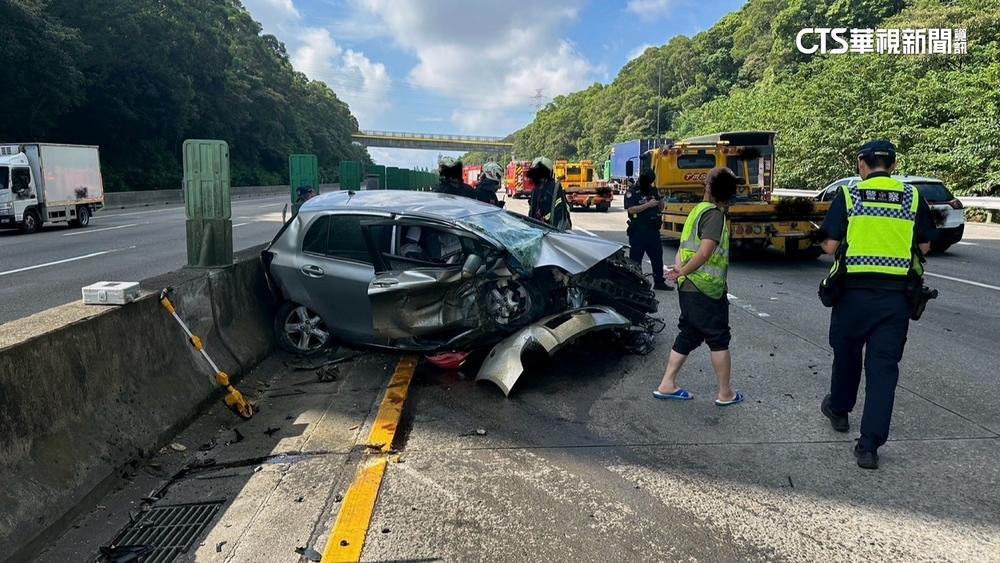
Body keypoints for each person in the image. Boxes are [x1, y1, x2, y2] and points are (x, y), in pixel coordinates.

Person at [817, 140, 939, 470]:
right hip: (896, 298)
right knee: (883, 370)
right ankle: (869, 447)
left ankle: (840, 411)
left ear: (861, 163)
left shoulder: (849, 196)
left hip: (853, 295)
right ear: (894, 165)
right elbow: (925, 245)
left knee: (846, 354)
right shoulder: (912, 197)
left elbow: (829, 245)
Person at [655, 166, 744, 406]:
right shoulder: (714, 214)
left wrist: (679, 270)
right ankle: (726, 393)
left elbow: (684, 248)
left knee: (690, 333)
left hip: (690, 286)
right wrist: (682, 270)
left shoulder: (697, 211)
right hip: (706, 288)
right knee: (718, 338)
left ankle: (667, 384)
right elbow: (704, 252)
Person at [625, 169, 671, 291]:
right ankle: (635, 283)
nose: (650, 185)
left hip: (652, 230)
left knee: (657, 257)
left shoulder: (653, 191)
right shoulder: (632, 192)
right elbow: (631, 210)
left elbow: (660, 207)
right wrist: (648, 205)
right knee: (635, 259)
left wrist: (661, 203)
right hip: (638, 231)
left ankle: (659, 281)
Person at [527, 157, 572, 230]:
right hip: (536, 229)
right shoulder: (535, 189)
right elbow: (532, 210)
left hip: (552, 230)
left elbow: (561, 212)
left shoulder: (554, 188)